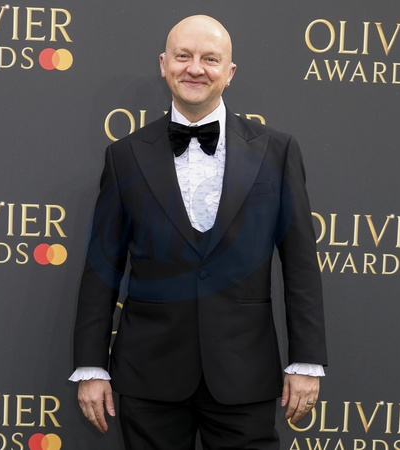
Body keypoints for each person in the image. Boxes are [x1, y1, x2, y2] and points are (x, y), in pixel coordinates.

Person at [71, 14, 327, 450]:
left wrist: (307, 360)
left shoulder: (278, 151)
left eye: (210, 59)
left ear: (230, 72)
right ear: (163, 64)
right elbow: (102, 269)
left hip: (244, 372)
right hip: (148, 374)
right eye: (183, 56)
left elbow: (300, 261)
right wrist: (91, 366)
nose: (195, 68)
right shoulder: (125, 155)